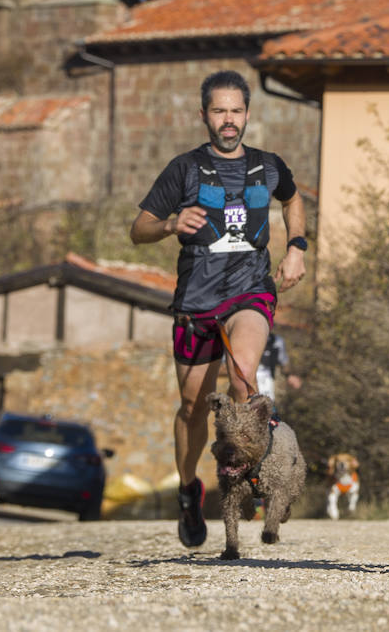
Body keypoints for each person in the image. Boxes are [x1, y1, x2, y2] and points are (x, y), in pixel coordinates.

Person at [130, 70, 308, 549]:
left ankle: (249, 475)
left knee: (243, 370)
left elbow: (293, 200)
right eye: (218, 111)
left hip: (251, 289)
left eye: (235, 110)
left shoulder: (268, 166)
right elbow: (138, 228)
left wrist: (297, 247)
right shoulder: (183, 169)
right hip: (196, 300)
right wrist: (169, 224)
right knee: (192, 405)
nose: (228, 120)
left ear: (247, 114)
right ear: (204, 115)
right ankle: (190, 490)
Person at [255, 331, 303, 403]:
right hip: (252, 373)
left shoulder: (277, 341)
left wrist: (289, 375)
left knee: (267, 404)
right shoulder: (278, 341)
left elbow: (283, 361)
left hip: (266, 377)